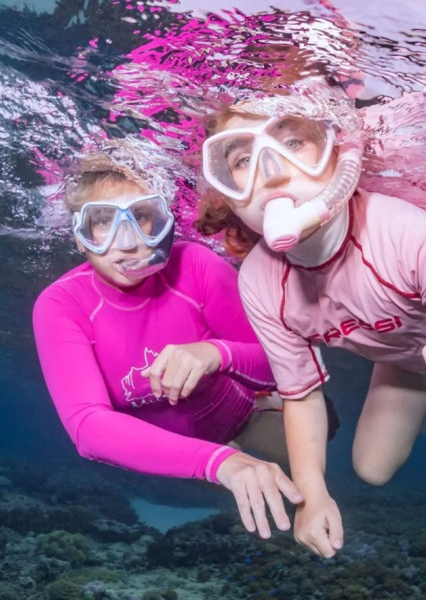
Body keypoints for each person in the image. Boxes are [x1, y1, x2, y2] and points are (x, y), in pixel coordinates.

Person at [195, 78, 426, 558]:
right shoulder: (259, 281)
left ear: (338, 159)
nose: (270, 171)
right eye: (241, 159)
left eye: (293, 142)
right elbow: (301, 394)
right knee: (371, 469)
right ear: (226, 194)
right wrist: (312, 496)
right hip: (402, 357)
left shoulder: (401, 229)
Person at [32, 137, 306, 540]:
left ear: (162, 222)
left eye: (141, 217)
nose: (126, 243)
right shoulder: (61, 304)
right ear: (80, 234)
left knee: (324, 432)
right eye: (104, 221)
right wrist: (217, 462)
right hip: (180, 453)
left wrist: (217, 354)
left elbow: (287, 362)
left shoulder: (196, 265)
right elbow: (88, 427)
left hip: (245, 414)